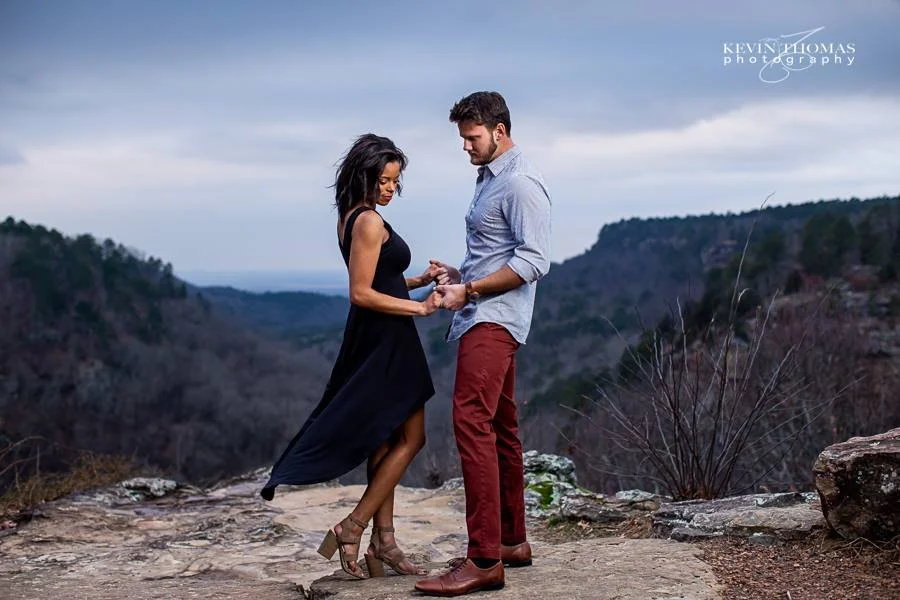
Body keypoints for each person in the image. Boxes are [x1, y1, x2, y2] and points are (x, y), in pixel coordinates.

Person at [260, 133, 444, 580]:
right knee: (411, 438)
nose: (388, 189)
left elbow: (381, 277)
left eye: (394, 182)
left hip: (377, 335)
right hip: (387, 339)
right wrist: (420, 308)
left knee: (384, 440)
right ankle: (353, 526)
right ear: (363, 174)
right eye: (383, 179)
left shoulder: (352, 217)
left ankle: (384, 543)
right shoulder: (367, 223)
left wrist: (419, 279)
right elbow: (361, 292)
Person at [415, 92, 552, 596]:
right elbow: (499, 253)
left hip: (493, 321)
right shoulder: (491, 178)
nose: (466, 147)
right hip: (486, 312)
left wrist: (469, 290)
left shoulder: (518, 183)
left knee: (470, 421)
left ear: (499, 130)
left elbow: (534, 261)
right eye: (462, 138)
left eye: (471, 137)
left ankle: (482, 560)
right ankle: (511, 542)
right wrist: (459, 273)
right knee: (500, 424)